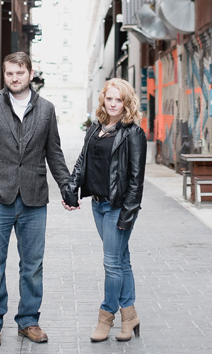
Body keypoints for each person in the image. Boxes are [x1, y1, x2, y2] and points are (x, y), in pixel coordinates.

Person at [0, 52, 71, 347]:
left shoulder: (46, 109)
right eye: (9, 73)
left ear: (30, 74)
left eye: (19, 73)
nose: (14, 78)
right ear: (4, 75)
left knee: (33, 265)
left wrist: (67, 188)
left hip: (34, 198)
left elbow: (55, 153)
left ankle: (28, 321)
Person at [62, 78, 147, 342]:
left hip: (117, 207)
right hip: (98, 205)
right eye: (109, 98)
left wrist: (127, 214)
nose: (113, 103)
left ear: (127, 102)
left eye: (118, 99)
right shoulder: (96, 128)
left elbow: (136, 179)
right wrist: (71, 188)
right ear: (103, 99)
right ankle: (130, 317)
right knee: (121, 260)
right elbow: (82, 162)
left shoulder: (134, 133)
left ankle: (106, 316)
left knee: (111, 264)